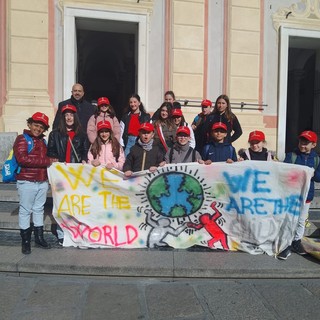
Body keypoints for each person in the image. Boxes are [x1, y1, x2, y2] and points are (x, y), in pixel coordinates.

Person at [13, 112, 57, 254]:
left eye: (41, 127)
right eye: (36, 125)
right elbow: (23, 159)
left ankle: (39, 238)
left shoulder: (43, 141)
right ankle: (25, 241)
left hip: (41, 181)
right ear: (30, 124)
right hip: (27, 181)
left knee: (38, 209)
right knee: (25, 210)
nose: (38, 129)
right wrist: (47, 161)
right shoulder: (22, 139)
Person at [47, 104, 90, 244]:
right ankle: (62, 233)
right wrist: (57, 161)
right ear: (63, 118)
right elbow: (51, 151)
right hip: (61, 174)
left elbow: (85, 151)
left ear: (75, 117)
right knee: (61, 204)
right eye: (66, 115)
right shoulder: (55, 134)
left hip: (75, 176)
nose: (69, 117)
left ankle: (77, 231)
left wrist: (84, 159)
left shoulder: (82, 135)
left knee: (75, 204)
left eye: (71, 115)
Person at [277, 130, 320, 260]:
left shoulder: (317, 159)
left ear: (313, 145)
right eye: (302, 141)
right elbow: (284, 172)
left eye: (306, 142)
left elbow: (319, 177)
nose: (303, 145)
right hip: (292, 195)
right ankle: (286, 243)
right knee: (289, 219)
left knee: (301, 220)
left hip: (307, 195)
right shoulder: (292, 156)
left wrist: (312, 174)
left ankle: (297, 242)